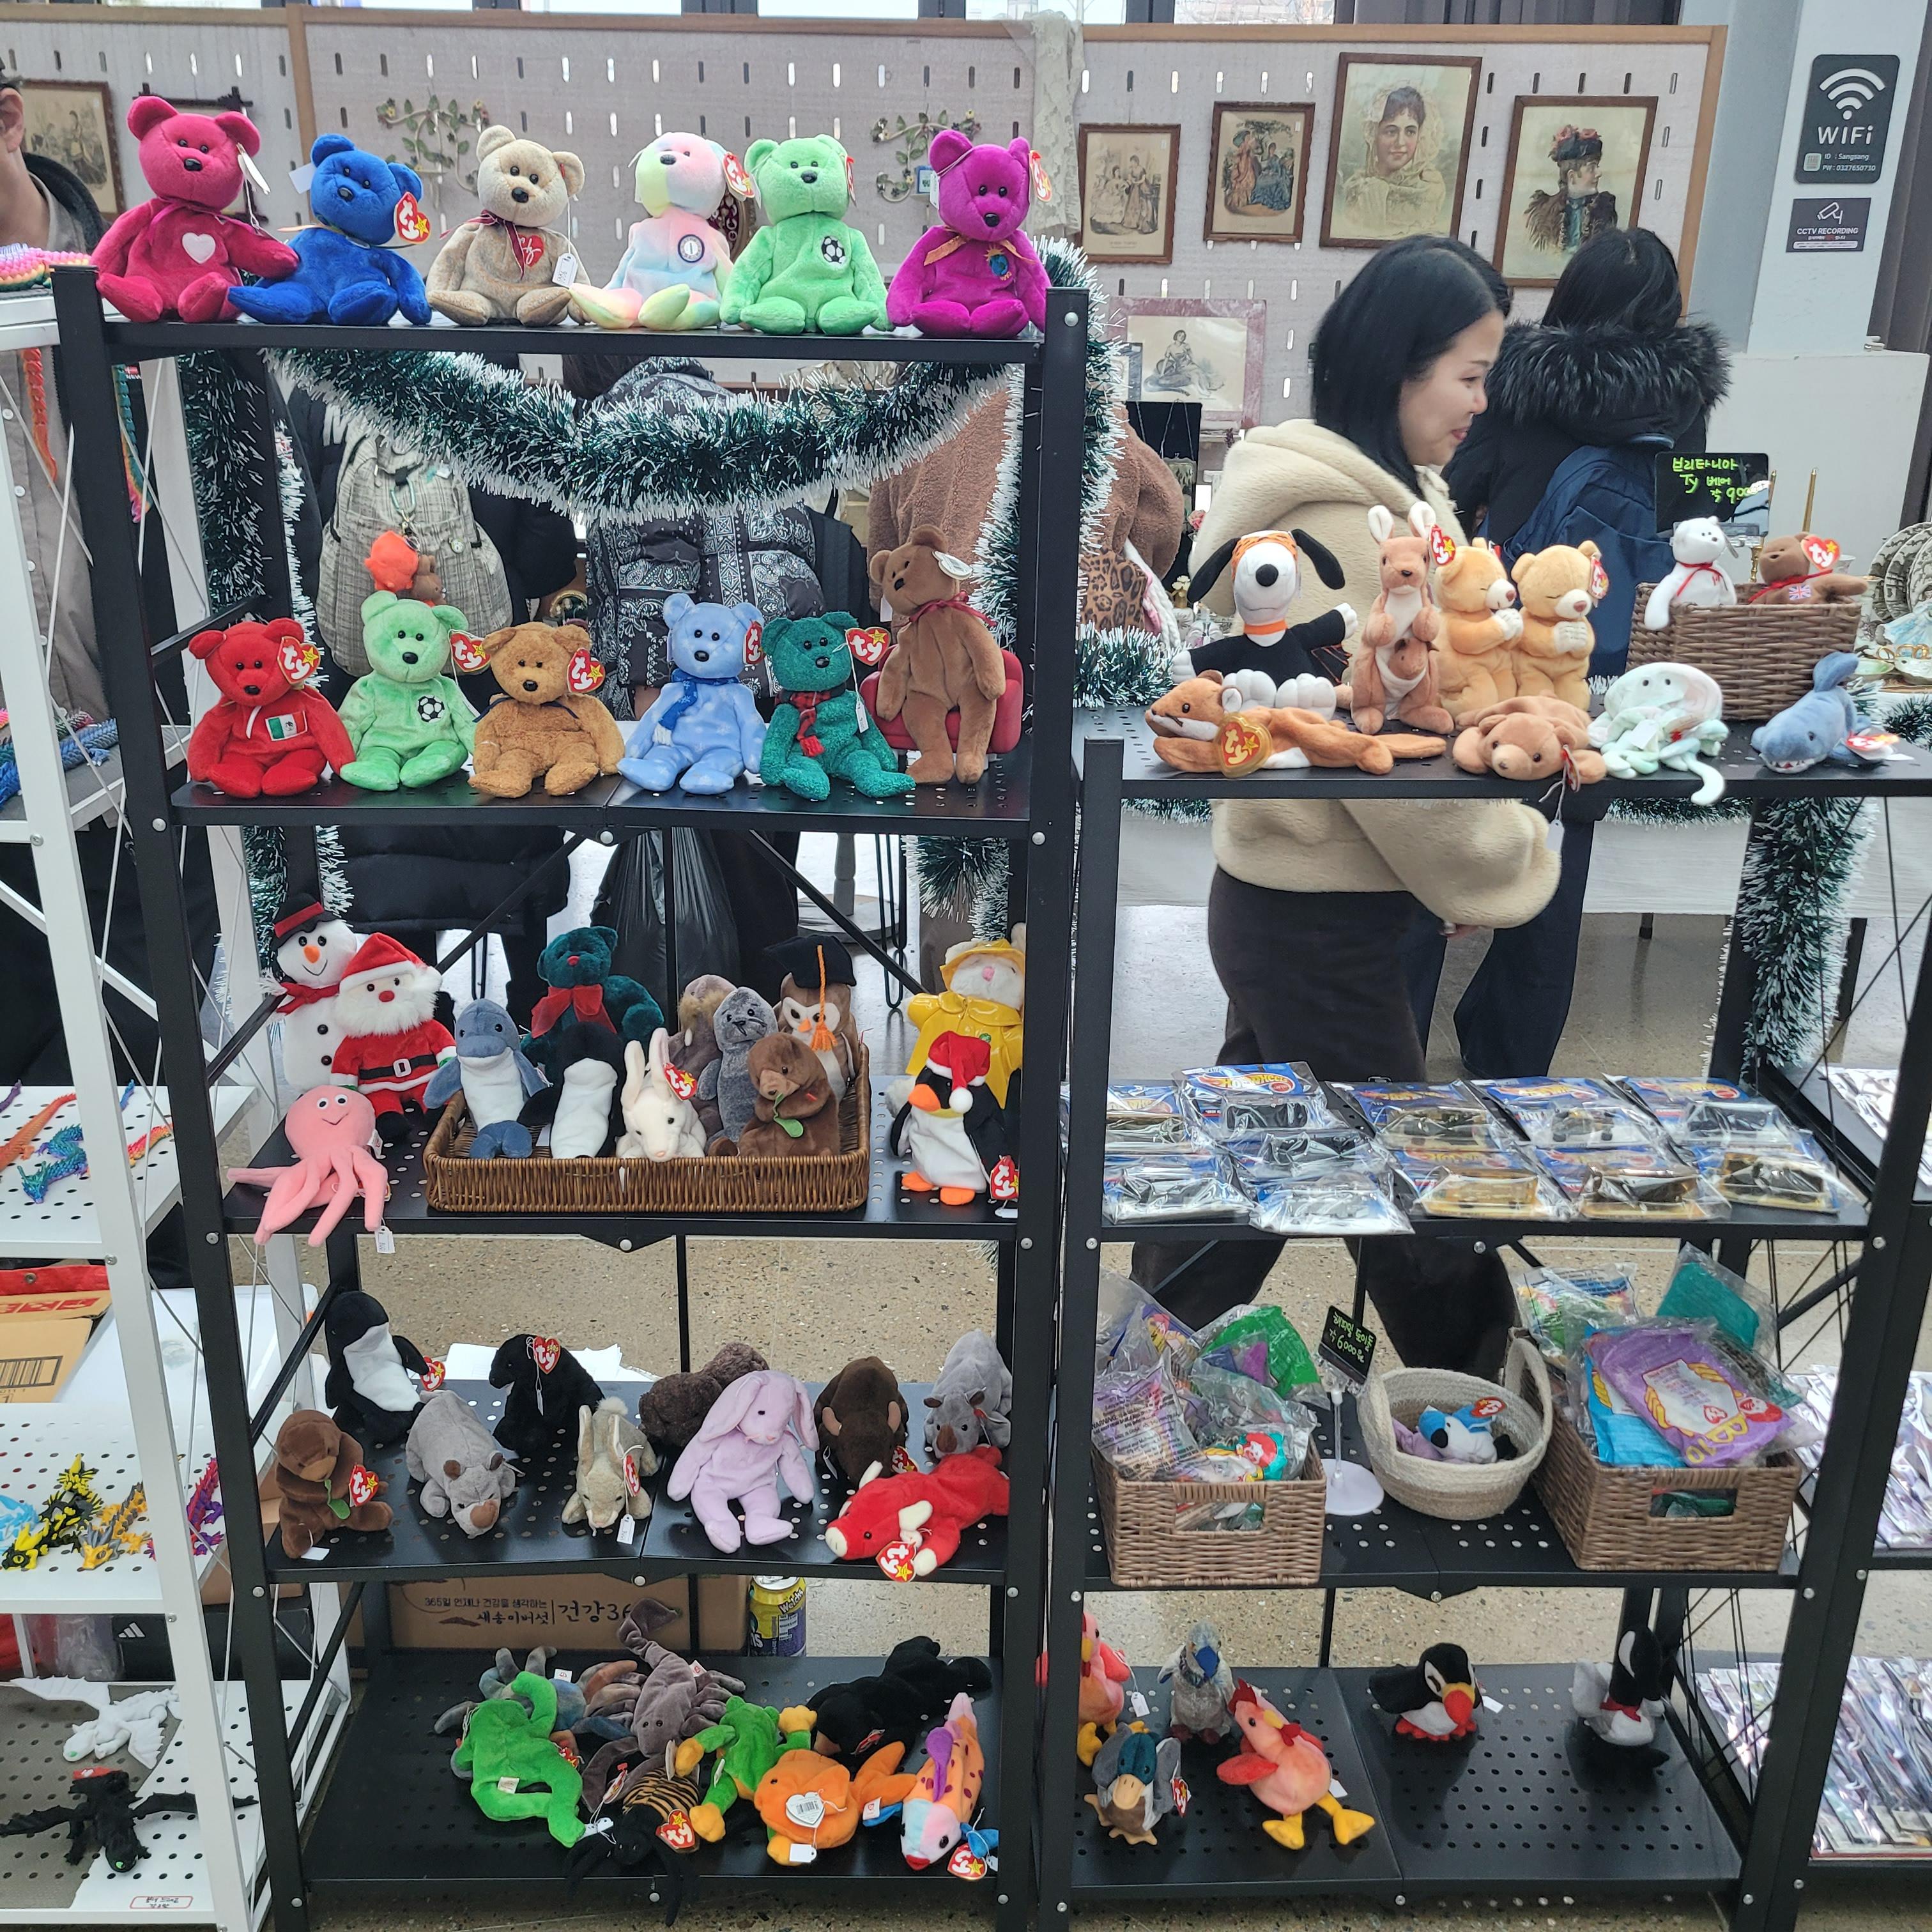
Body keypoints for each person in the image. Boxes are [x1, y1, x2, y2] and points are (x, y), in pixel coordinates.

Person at [1131, 234, 1559, 1379]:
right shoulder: (1346, 532)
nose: (1481, 401)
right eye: (1467, 374)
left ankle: (1128, 1382)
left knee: (1245, 1169)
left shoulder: (1385, 504)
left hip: (1295, 906)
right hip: (1317, 920)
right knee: (1403, 1184)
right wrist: (1506, 856)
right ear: (1395, 368)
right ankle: (1484, 1413)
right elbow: (1388, 771)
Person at [1407, 227, 1731, 1078]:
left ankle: (1394, 1067)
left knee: (1438, 854)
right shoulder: (1682, 403)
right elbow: (1689, 532)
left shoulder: (1514, 385)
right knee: (1556, 866)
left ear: (1570, 296)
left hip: (1497, 650)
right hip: (1608, 663)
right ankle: (1512, 1079)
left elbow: (1453, 497)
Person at [286, 373, 581, 1026]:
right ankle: (531, 1007)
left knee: (395, 841)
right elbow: (548, 549)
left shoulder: (324, 386)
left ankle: (415, 1020)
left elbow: (300, 528)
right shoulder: (503, 387)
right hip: (494, 659)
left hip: (370, 661)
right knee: (511, 815)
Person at [1340, 84, 1446, 240]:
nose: (1400, 142)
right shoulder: (1358, 190)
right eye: (1391, 131)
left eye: (1410, 132)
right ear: (1374, 135)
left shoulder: (1432, 189)